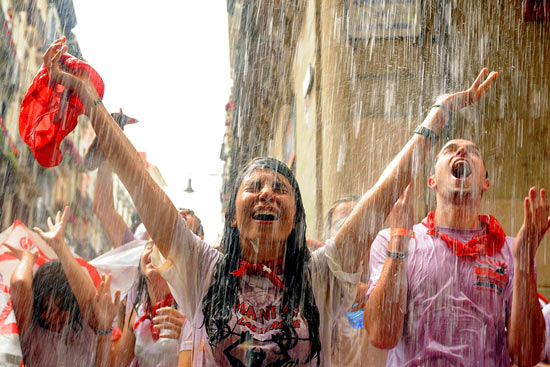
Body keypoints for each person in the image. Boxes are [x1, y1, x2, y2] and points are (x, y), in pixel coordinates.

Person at [42, 36, 497, 365]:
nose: (266, 192)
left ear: (296, 218)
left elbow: (382, 193)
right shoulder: (202, 269)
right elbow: (138, 181)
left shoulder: (321, 277)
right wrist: (88, 102)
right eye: (254, 186)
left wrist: (438, 114)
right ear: (233, 217)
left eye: (281, 188)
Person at [364, 140, 547, 366]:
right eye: (450, 150)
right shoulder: (395, 240)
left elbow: (526, 356)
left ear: (485, 183)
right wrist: (399, 237)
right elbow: (382, 336)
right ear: (432, 181)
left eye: (473, 152)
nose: (462, 151)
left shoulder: (511, 251)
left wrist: (525, 261)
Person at [4, 208, 121, 367]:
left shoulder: (87, 331)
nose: (53, 316)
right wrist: (27, 259)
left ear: (73, 306)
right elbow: (20, 285)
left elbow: (89, 303)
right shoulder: (30, 330)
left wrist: (60, 247)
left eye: (62, 307)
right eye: (46, 308)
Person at [112, 240, 193, 367]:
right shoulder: (137, 312)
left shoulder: (190, 308)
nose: (155, 251)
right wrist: (104, 326)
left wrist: (190, 336)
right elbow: (117, 364)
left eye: (162, 248)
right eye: (150, 246)